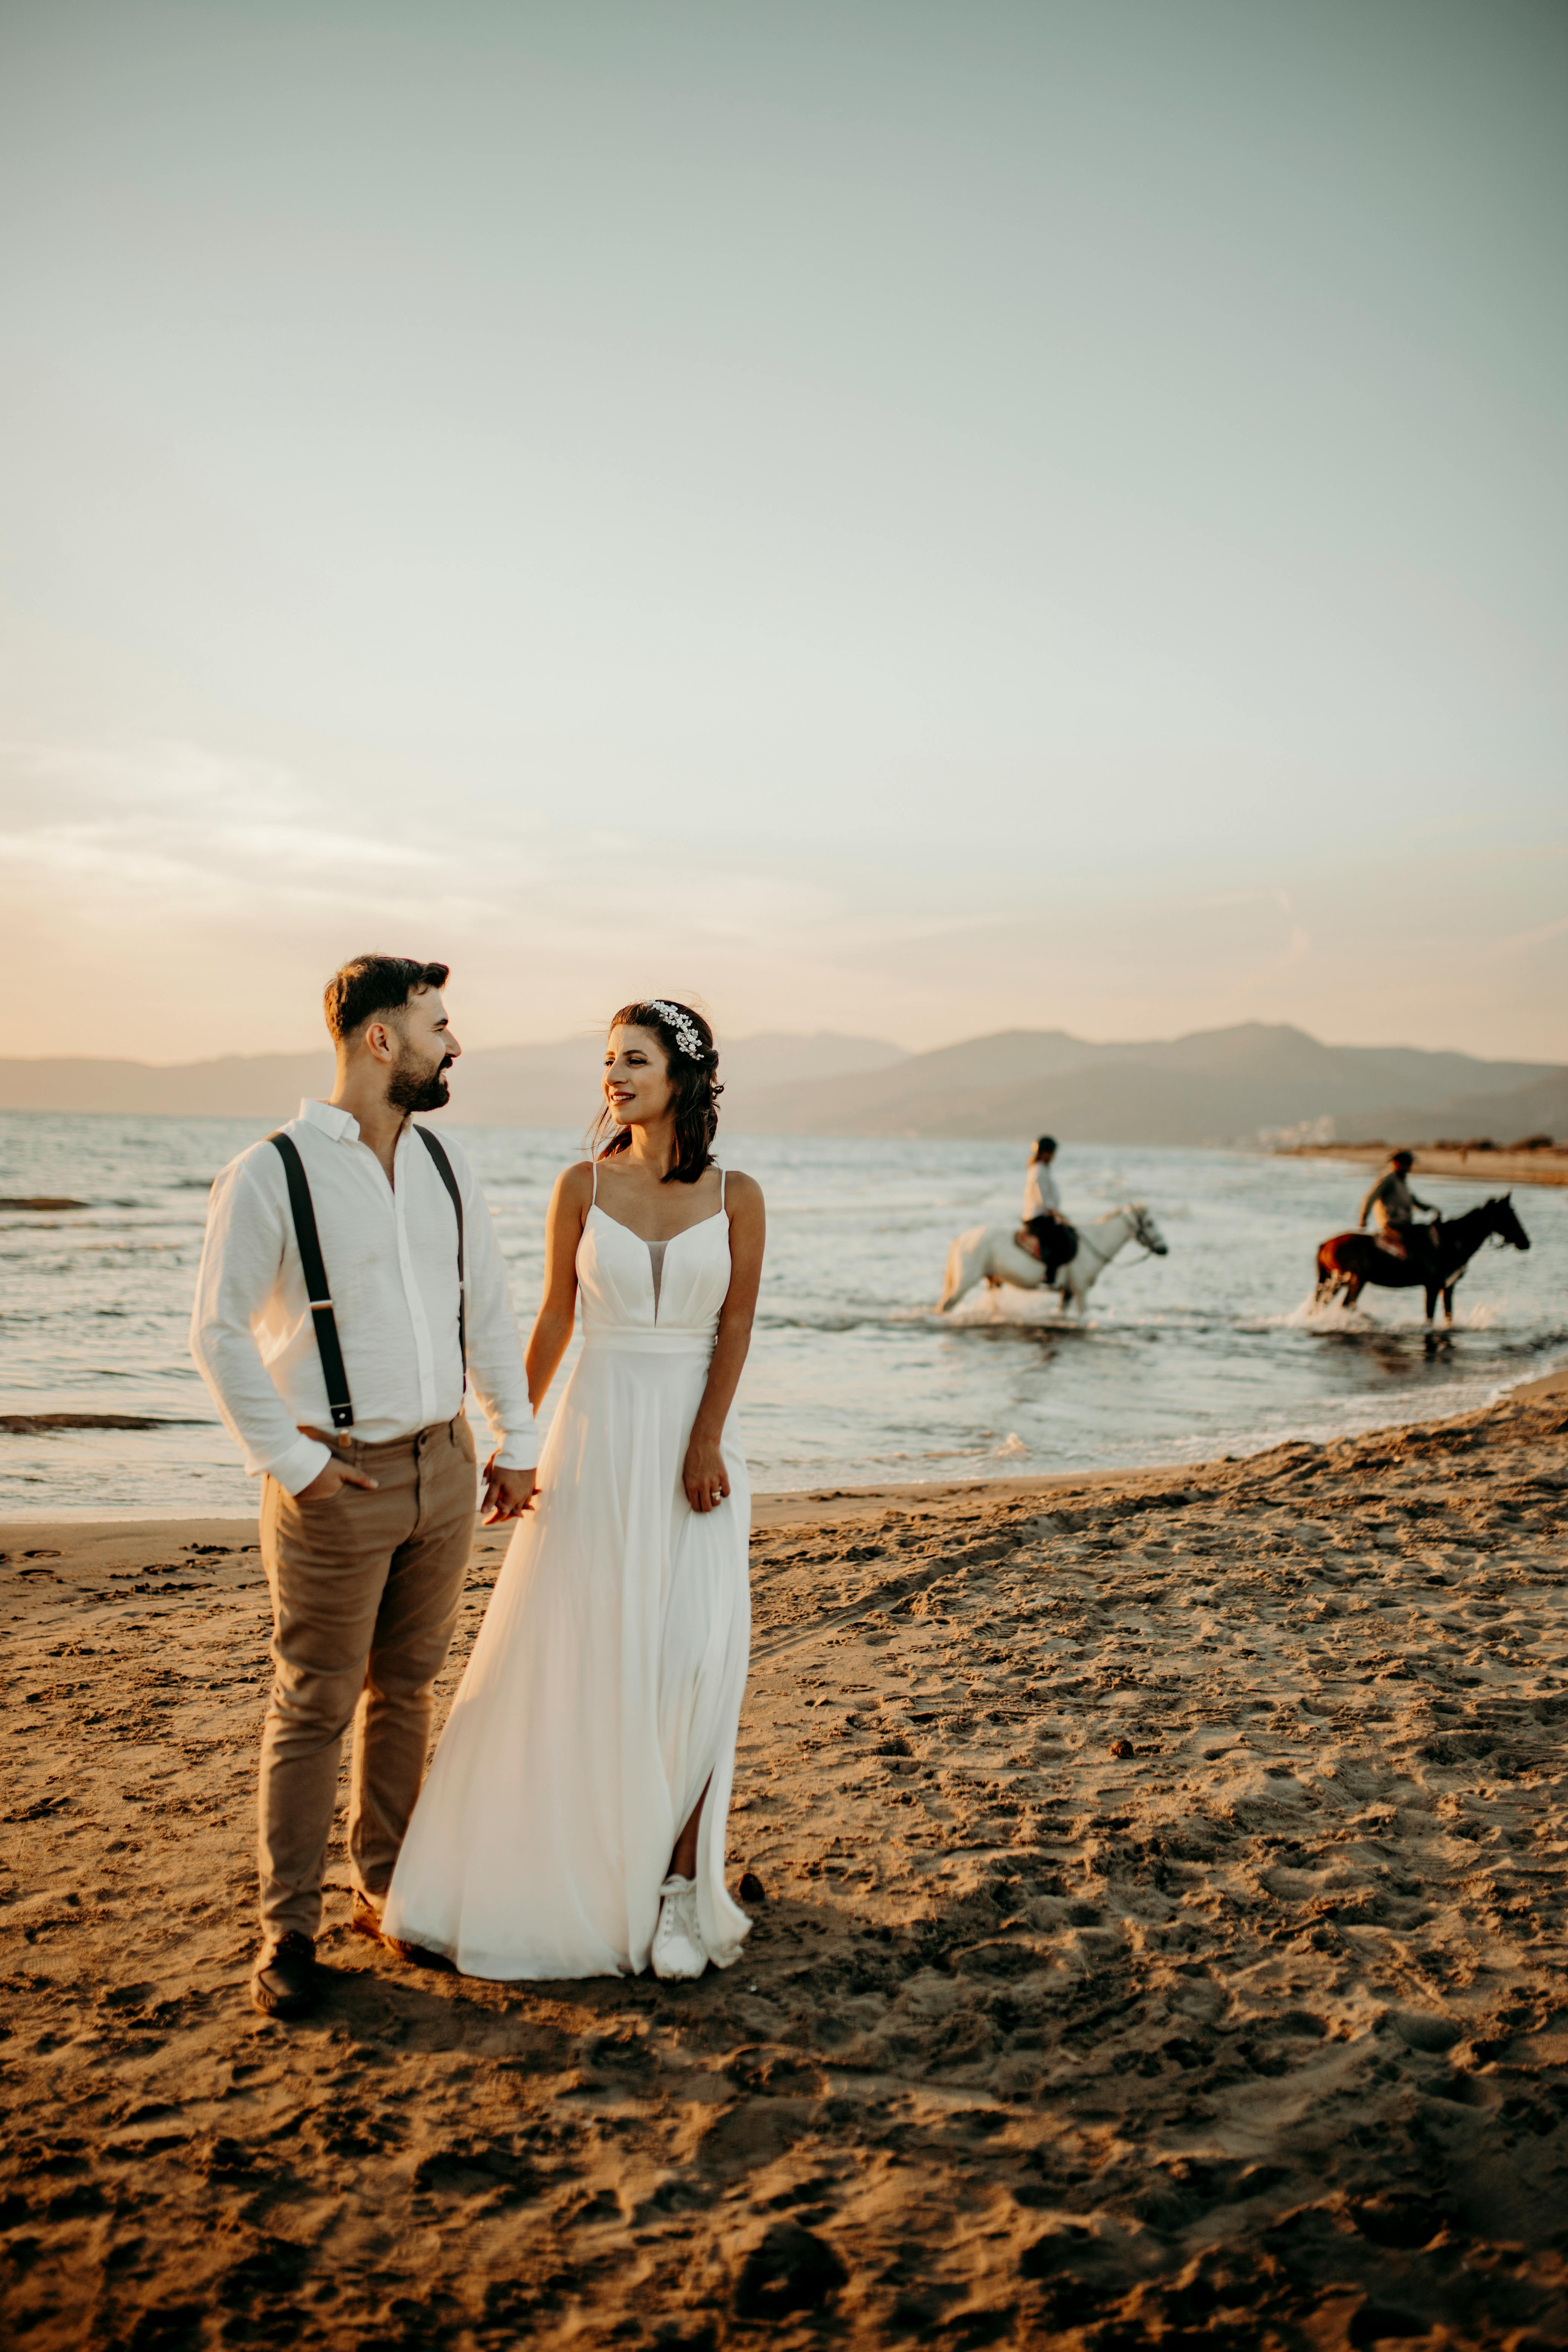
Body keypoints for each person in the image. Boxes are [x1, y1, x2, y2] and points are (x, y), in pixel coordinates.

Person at [382, 998, 765, 1983]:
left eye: (633, 1060)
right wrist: (515, 1440)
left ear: (681, 1076)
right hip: (593, 1444)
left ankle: (680, 1894)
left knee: (693, 1660)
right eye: (607, 1062)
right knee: (583, 1656)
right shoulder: (581, 1185)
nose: (614, 1078)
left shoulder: (738, 1197)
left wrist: (707, 1439)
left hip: (691, 1449)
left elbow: (733, 1332)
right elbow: (553, 1320)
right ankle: (571, 1868)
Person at [190, 955, 536, 2023]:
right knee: (314, 1704)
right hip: (336, 1483)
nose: (454, 1044)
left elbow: (489, 1313)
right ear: (381, 1040)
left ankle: (388, 1893)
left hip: (442, 1473)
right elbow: (218, 1332)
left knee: (408, 1692)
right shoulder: (272, 1172)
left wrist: (510, 1437)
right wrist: (294, 1467)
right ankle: (289, 1930)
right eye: (438, 1025)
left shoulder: (444, 1165)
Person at [1358, 1148, 1440, 1264]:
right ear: (1398, 1164)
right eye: (1409, 1164)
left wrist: (1430, 1209)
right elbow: (1370, 1198)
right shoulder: (1388, 1179)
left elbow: (1413, 1200)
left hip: (1404, 1223)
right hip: (1393, 1223)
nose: (1411, 1167)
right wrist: (1364, 1217)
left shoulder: (1401, 1181)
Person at [1017, 1134, 1076, 1281]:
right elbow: (1043, 1198)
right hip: (1038, 1216)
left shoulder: (1043, 1169)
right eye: (1051, 1153)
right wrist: (1056, 1214)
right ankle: (1049, 1275)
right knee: (1061, 1238)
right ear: (1044, 1153)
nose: (1053, 1156)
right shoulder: (1039, 1171)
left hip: (1044, 1214)